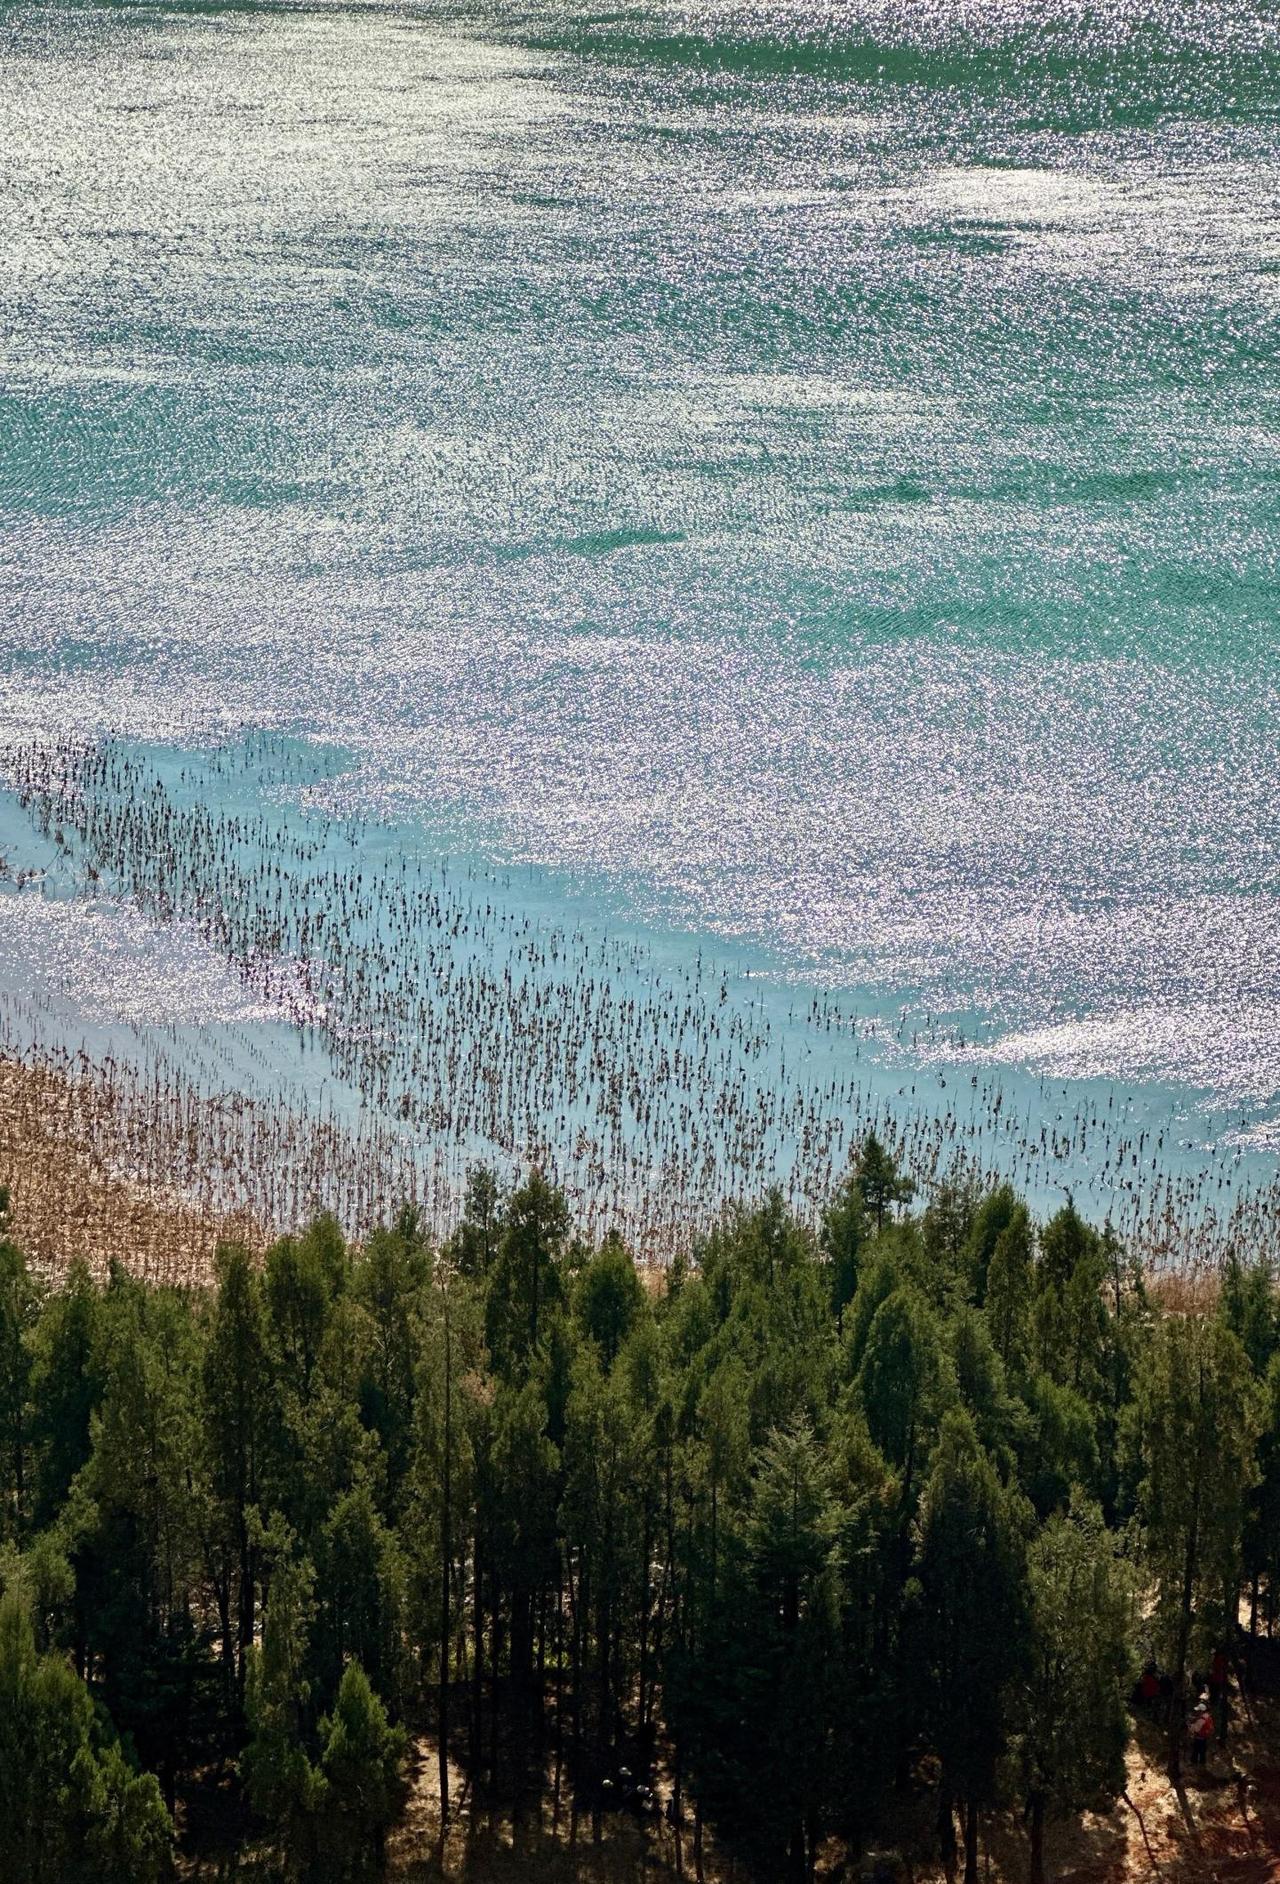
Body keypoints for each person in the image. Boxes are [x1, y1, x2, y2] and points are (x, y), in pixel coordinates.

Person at [1190, 1703, 1214, 1769]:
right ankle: (1202, 1766)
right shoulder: (1208, 1717)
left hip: (1199, 1738)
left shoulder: (1201, 1719)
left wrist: (1191, 1725)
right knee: (1202, 1752)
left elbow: (1196, 1729)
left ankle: (1194, 1765)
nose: (1196, 1712)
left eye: (1198, 1710)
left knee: (1196, 1751)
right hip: (1205, 1738)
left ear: (1201, 1711)